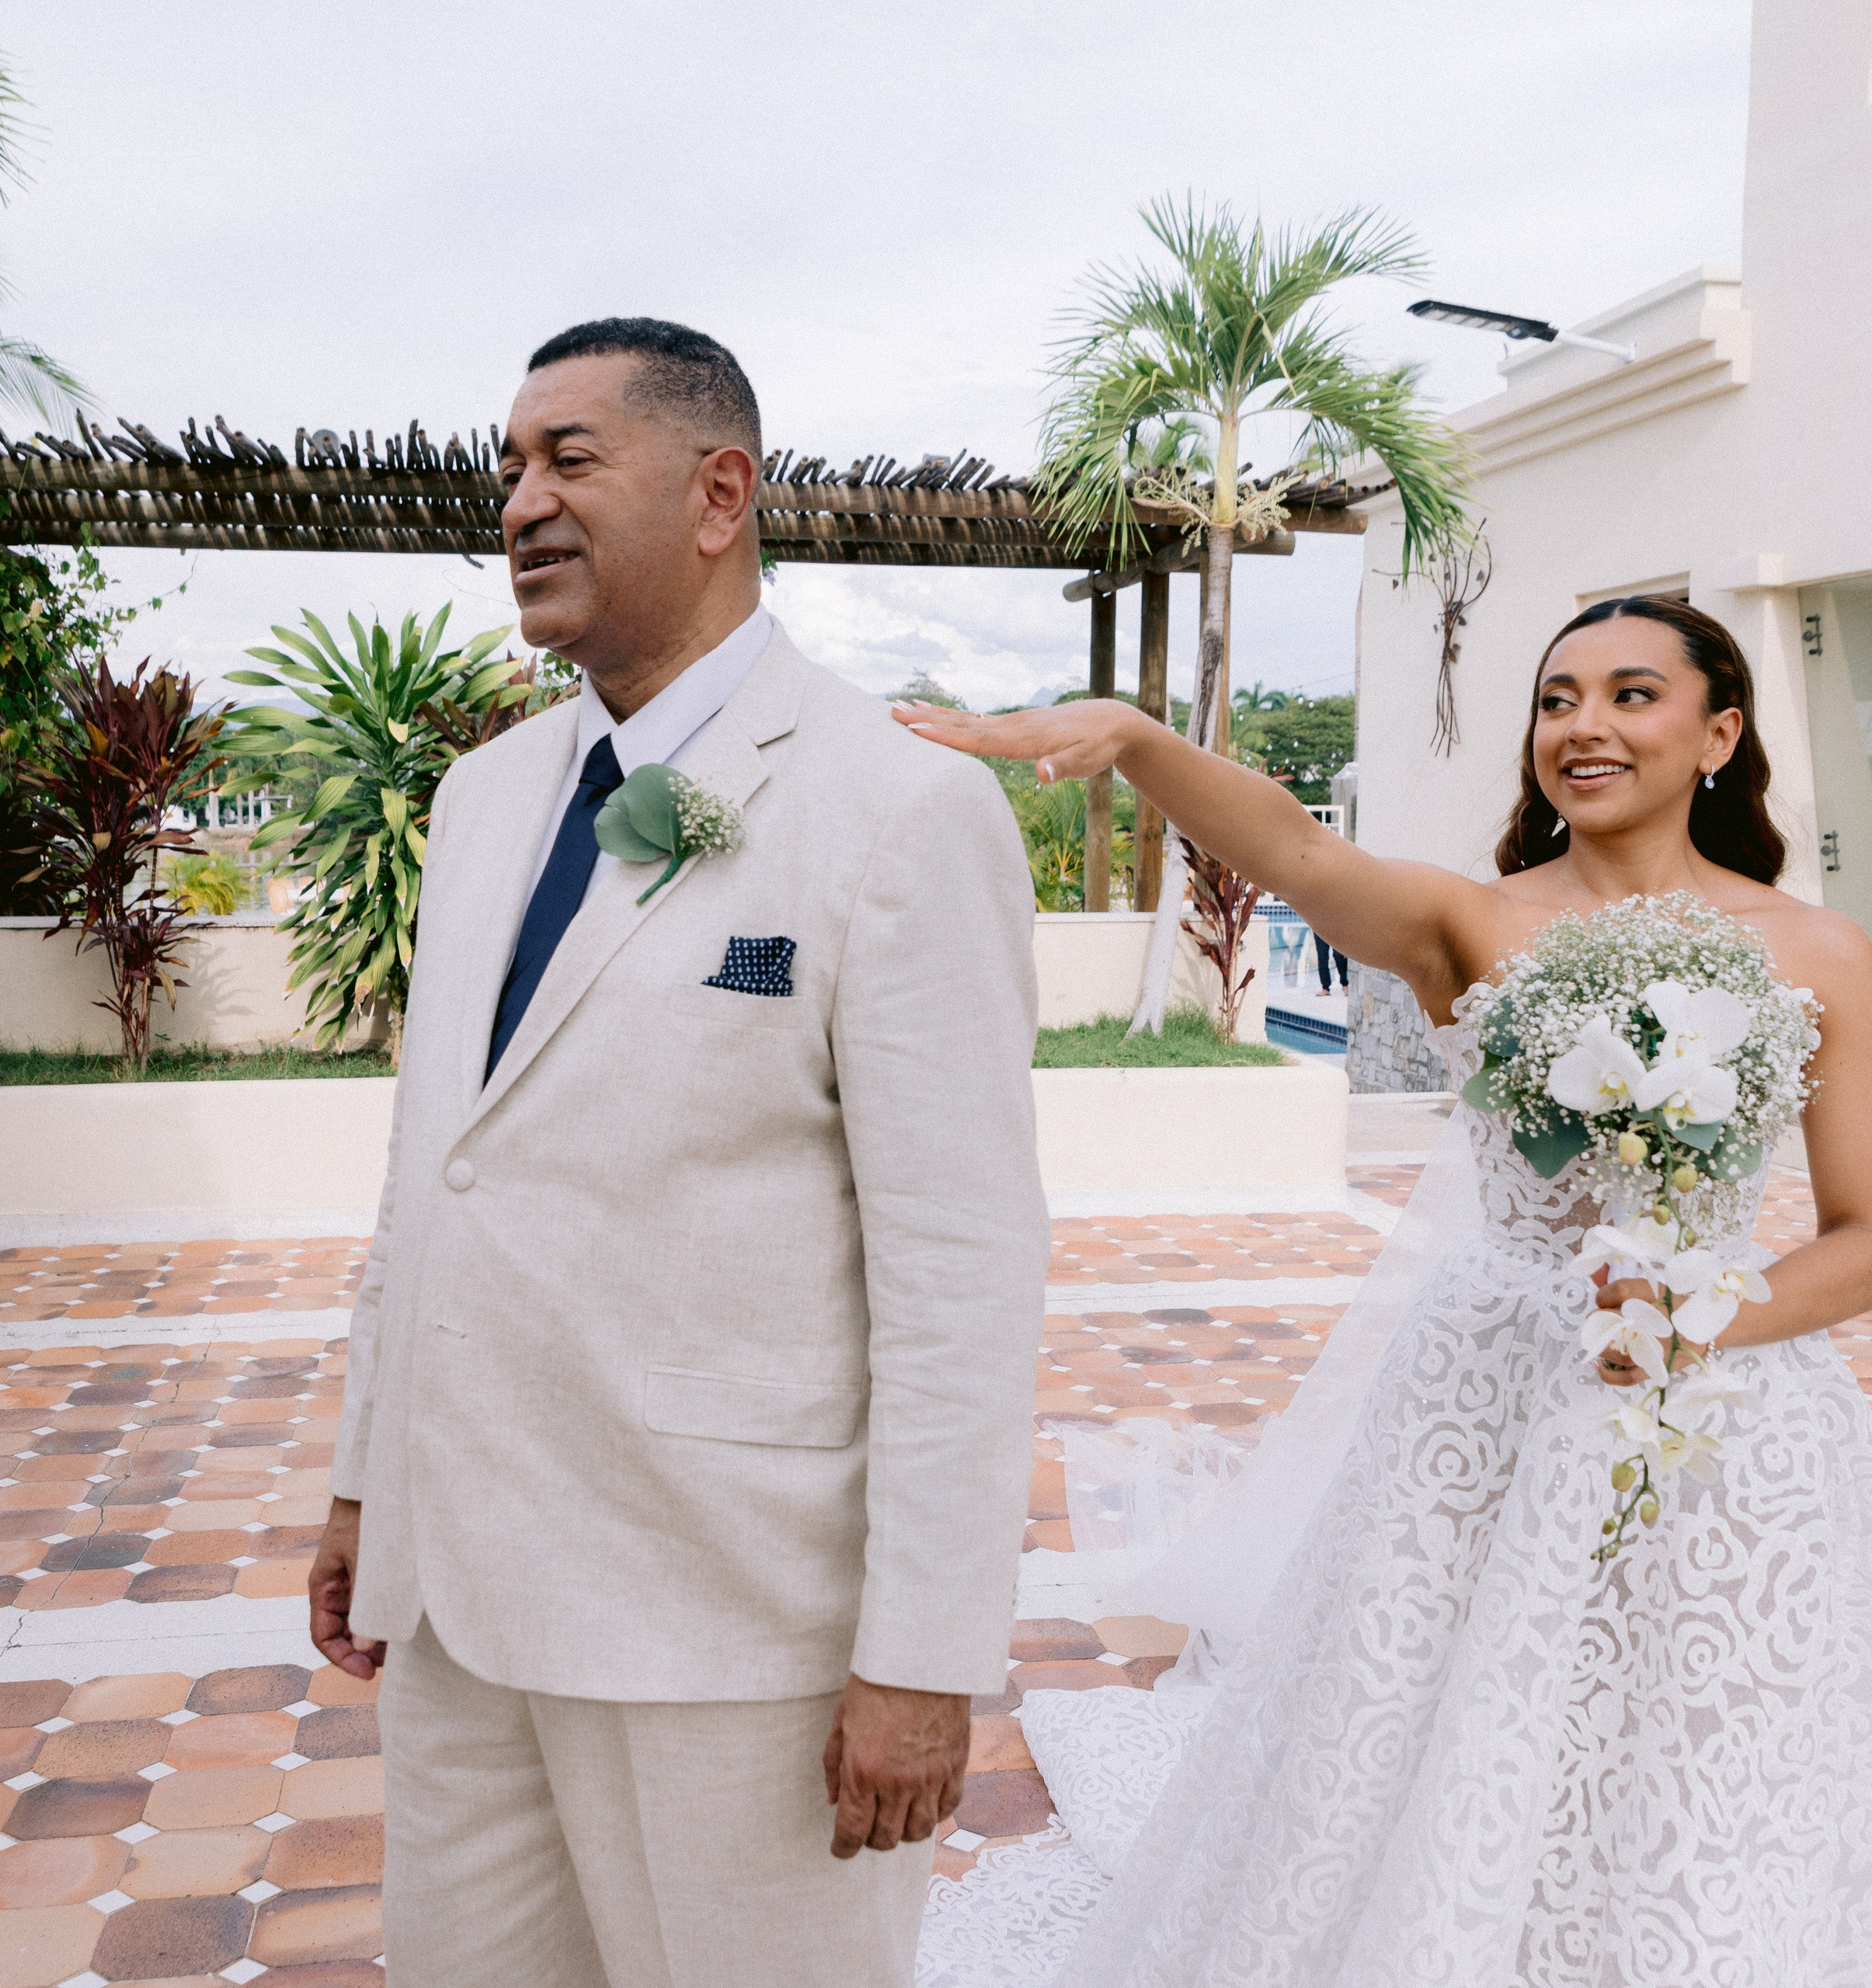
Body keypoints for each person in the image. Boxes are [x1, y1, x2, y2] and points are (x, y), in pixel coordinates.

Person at [899, 594, 1872, 1985]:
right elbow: (1291, 848)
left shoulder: (1821, 953)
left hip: (1729, 1431)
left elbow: (1863, 1230)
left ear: (1721, 731)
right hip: (1494, 1401)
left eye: (1631, 695)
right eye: (1556, 699)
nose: (1584, 727)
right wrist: (1130, 741)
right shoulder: (1466, 922)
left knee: (1693, 1737)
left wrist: (1699, 1319)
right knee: (1443, 1719)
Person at [307, 318, 1049, 1988]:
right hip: (458, 1604)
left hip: (731, 1633)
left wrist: (921, 1654)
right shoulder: (487, 796)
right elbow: (435, 1160)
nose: (517, 501)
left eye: (568, 458)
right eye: (507, 466)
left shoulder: (896, 810)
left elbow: (962, 1270)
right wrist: (368, 1470)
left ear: (720, 492)